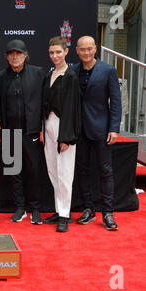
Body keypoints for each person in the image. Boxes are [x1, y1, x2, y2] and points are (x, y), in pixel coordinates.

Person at [71, 36, 122, 231]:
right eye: (82, 49)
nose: (86, 52)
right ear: (76, 50)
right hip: (79, 130)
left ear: (95, 49)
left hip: (102, 129)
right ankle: (88, 209)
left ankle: (108, 212)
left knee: (105, 171)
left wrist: (114, 128)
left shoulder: (107, 71)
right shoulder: (72, 71)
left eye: (89, 49)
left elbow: (115, 102)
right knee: (82, 171)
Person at [0, 39, 45, 224]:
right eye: (11, 53)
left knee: (33, 171)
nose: (15, 56)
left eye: (18, 53)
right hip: (9, 132)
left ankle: (35, 208)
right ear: (7, 57)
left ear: (26, 55)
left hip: (30, 132)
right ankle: (20, 207)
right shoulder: (1, 76)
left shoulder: (38, 74)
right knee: (14, 171)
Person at [42, 36, 81, 232]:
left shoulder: (71, 76)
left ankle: (65, 214)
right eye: (51, 53)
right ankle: (59, 210)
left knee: (65, 171)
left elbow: (72, 109)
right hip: (48, 125)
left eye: (58, 52)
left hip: (63, 127)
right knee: (53, 170)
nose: (55, 55)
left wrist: (66, 137)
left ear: (66, 52)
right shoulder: (50, 73)